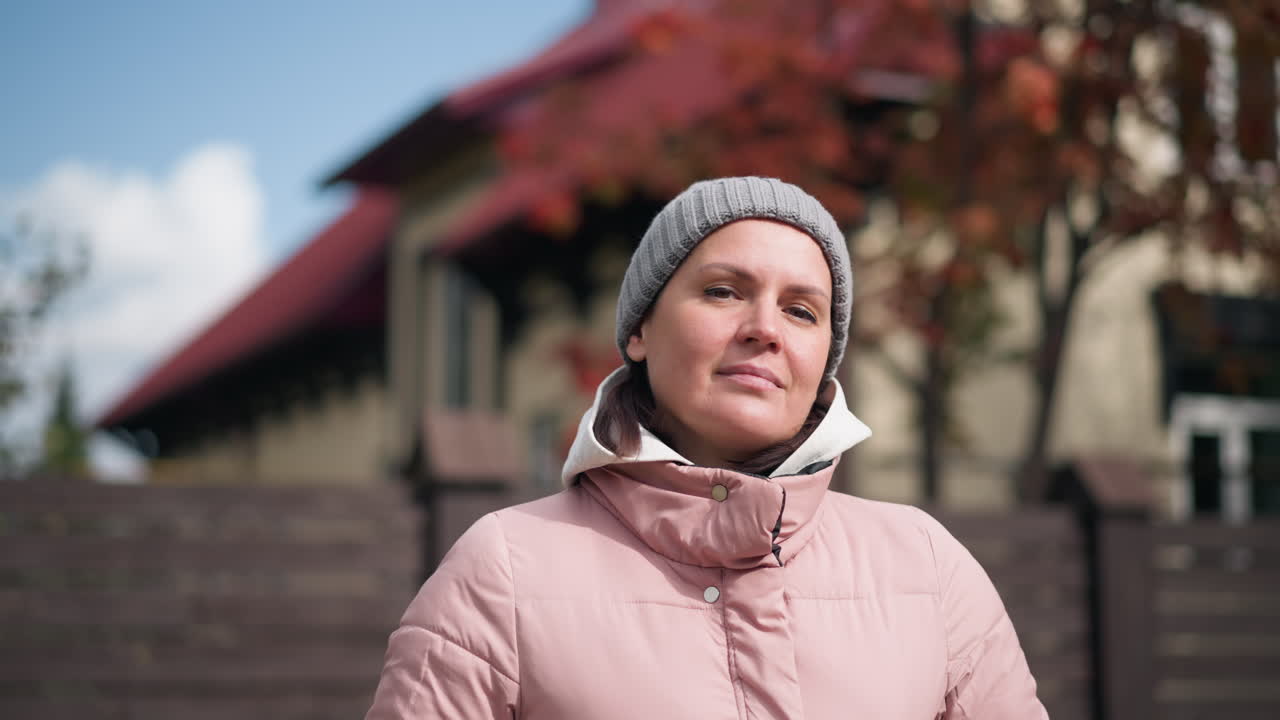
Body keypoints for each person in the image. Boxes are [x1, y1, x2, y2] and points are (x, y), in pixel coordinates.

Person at [365, 177, 1049, 719]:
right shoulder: (504, 571)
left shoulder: (928, 569)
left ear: (824, 361)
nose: (765, 329)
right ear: (639, 330)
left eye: (802, 310)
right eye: (723, 292)